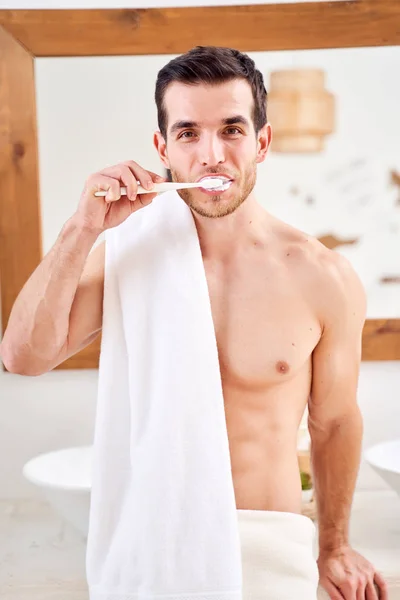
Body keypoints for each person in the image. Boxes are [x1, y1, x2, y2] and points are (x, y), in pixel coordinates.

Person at [0, 46, 388, 600]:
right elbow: (23, 357)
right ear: (163, 149)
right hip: (152, 546)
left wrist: (334, 546)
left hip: (269, 550)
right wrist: (81, 228)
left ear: (263, 142)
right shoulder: (127, 256)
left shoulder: (323, 276)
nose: (212, 155)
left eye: (232, 129)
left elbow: (334, 424)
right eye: (188, 134)